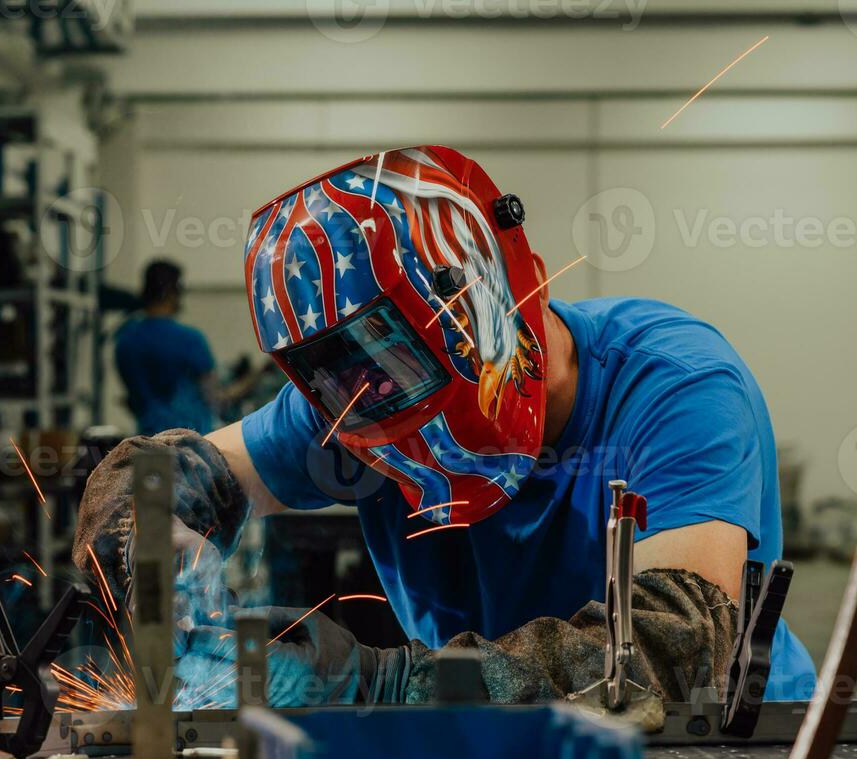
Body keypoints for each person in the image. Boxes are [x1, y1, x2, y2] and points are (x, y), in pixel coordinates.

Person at [75, 145, 816, 708]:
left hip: (719, 746)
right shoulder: (355, 406)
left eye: (398, 362)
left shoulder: (674, 386)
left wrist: (383, 686)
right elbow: (170, 478)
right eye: (347, 379)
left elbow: (669, 651)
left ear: (484, 303)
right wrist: (149, 560)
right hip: (484, 741)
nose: (380, 402)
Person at [114, 260, 264, 435]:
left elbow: (135, 400)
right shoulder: (190, 339)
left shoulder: (124, 340)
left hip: (146, 445)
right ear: (171, 292)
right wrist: (257, 374)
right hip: (190, 445)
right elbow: (217, 400)